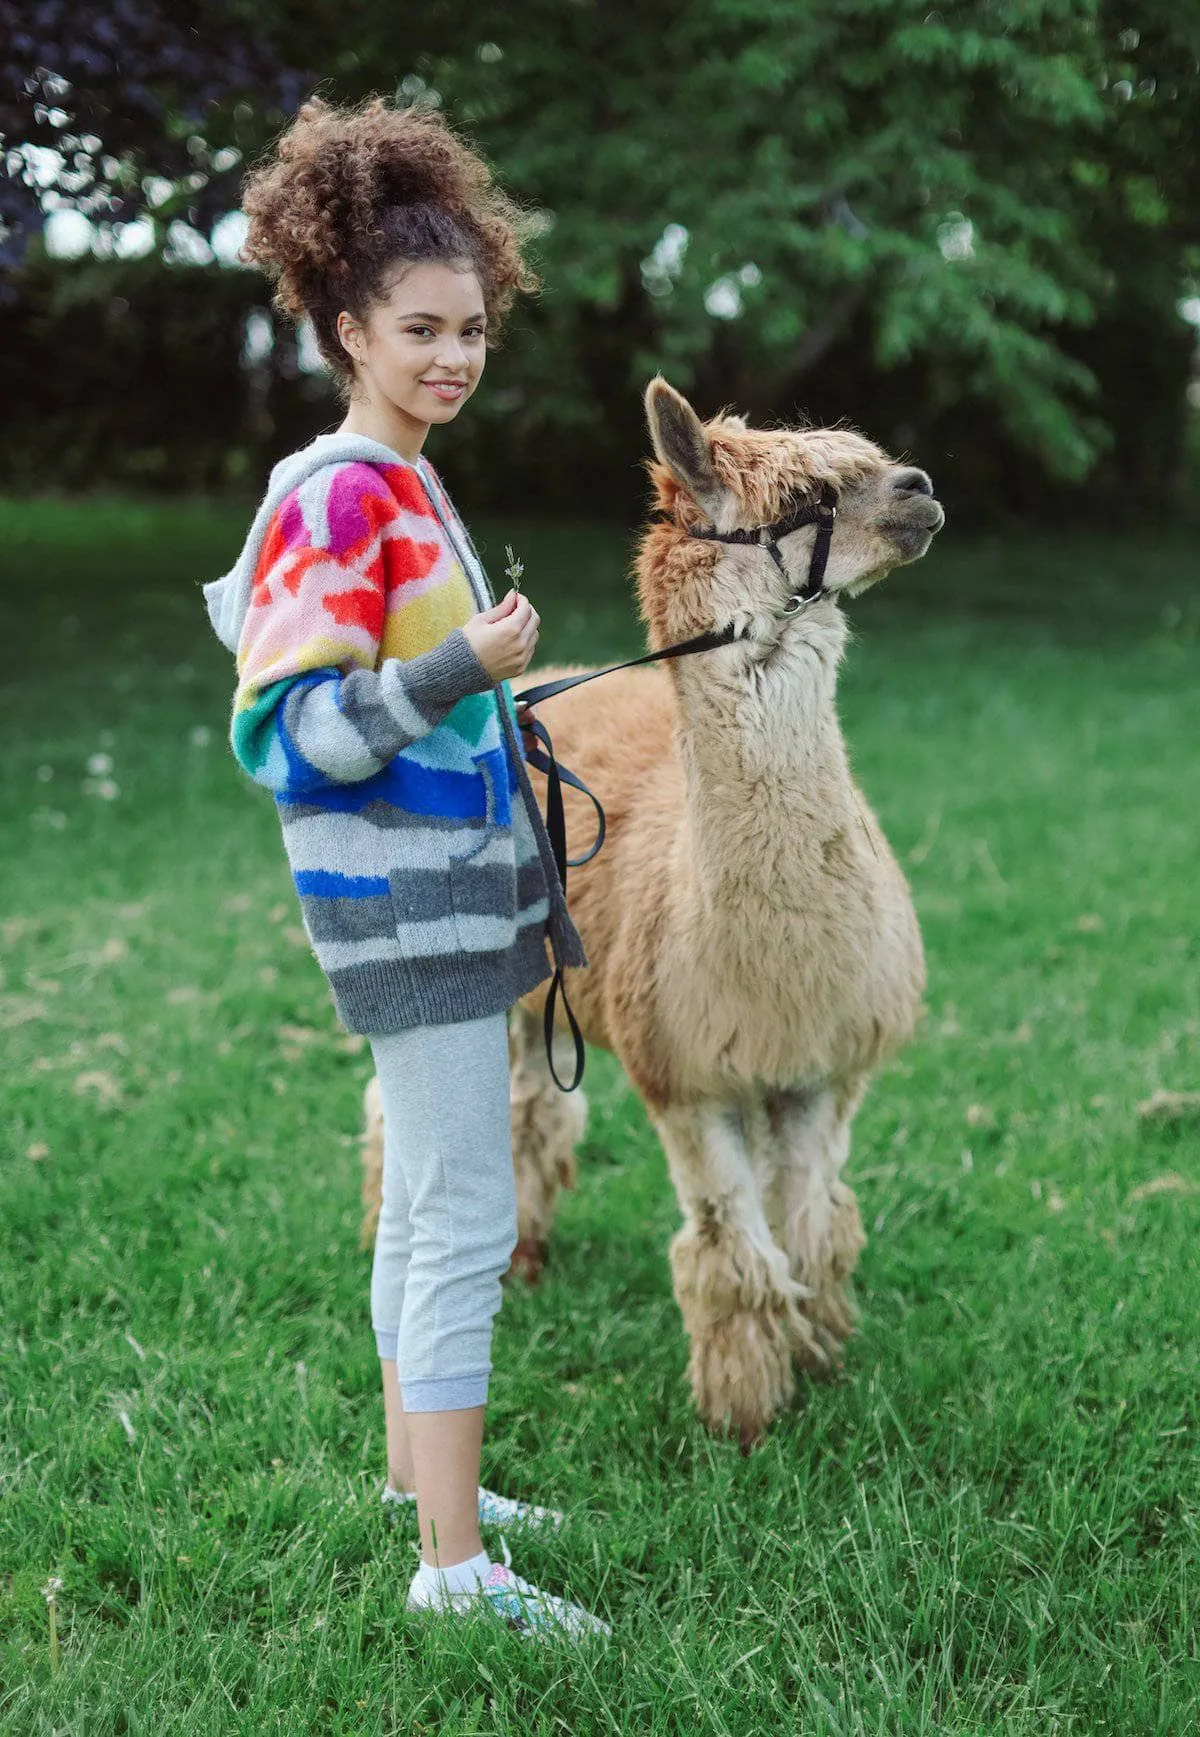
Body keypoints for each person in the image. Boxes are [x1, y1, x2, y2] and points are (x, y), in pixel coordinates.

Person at [200, 94, 608, 1643]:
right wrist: (463, 671)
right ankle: (453, 1571)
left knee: (429, 1204)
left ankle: (415, 1481)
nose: (454, 356)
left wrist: (493, 683)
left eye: (475, 329)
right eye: (422, 329)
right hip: (402, 913)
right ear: (345, 325)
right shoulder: (339, 490)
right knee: (462, 1213)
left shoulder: (404, 479)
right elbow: (296, 732)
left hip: (451, 899)